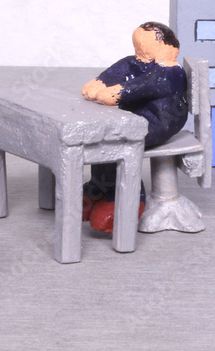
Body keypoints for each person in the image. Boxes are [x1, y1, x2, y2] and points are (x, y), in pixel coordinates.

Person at [81, 22, 188, 233]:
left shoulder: (168, 74)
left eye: (146, 45)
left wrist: (109, 92)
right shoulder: (137, 63)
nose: (141, 50)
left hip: (158, 122)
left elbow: (119, 94)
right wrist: (99, 83)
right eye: (139, 46)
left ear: (169, 46)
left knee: (117, 142)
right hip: (132, 117)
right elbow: (103, 81)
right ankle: (101, 185)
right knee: (103, 136)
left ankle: (128, 197)